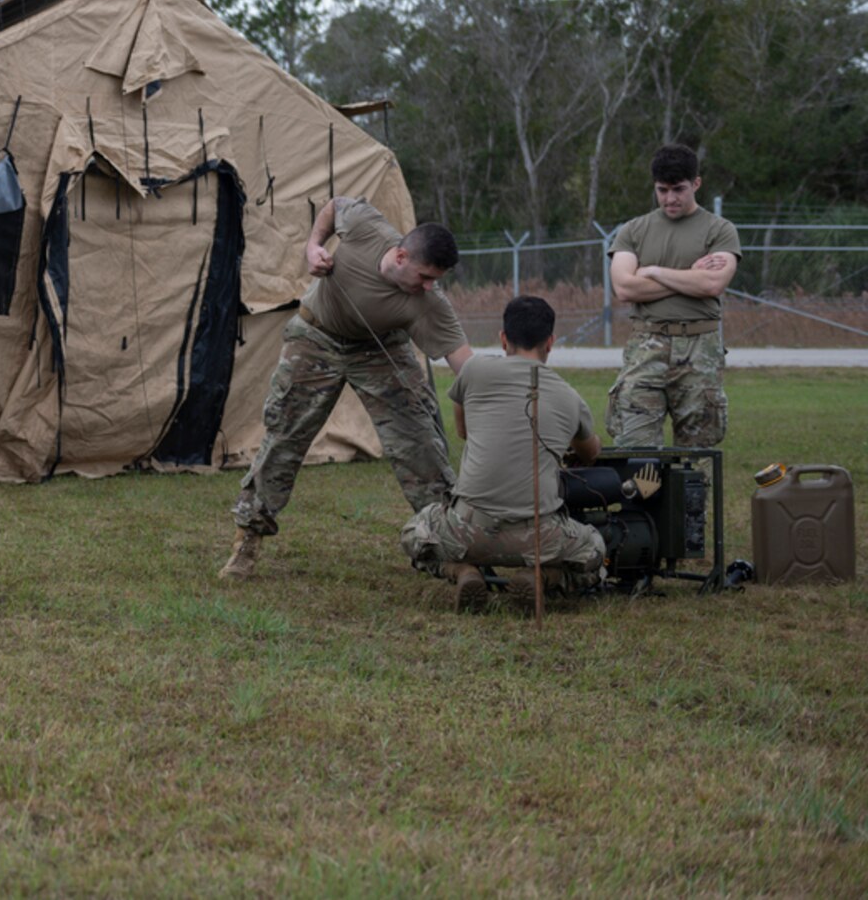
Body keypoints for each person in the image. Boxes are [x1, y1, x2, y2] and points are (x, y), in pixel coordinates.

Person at [221, 196, 474, 580]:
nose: (428, 287)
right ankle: (247, 542)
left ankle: (448, 547)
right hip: (315, 337)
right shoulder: (365, 226)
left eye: (436, 280)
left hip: (380, 349)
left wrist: (502, 392)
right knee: (283, 437)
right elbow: (333, 205)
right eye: (425, 276)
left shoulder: (428, 303)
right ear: (401, 256)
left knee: (421, 444)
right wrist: (313, 246)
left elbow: (466, 365)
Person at [401, 295, 605, 611]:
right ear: (550, 342)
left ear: (503, 338)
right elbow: (590, 454)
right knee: (595, 550)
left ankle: (463, 571)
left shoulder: (473, 371)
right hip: (539, 535)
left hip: (467, 528)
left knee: (415, 533)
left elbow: (464, 431)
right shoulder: (569, 396)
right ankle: (539, 578)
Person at [606, 144, 740, 448]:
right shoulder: (634, 231)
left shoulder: (720, 230)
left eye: (678, 189)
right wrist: (690, 273)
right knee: (635, 451)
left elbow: (712, 284)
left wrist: (652, 270)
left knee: (696, 457)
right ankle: (645, 498)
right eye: (662, 190)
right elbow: (625, 288)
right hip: (646, 346)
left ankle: (688, 498)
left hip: (699, 349)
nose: (670, 198)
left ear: (696, 184)